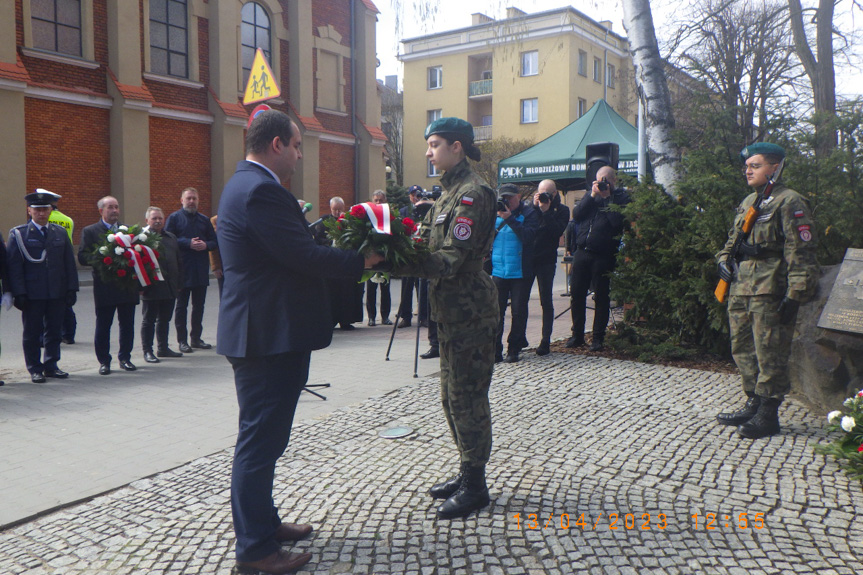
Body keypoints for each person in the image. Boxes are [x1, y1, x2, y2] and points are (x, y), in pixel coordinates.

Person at [217, 109, 382, 574]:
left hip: (266, 331)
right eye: (295, 145)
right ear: (275, 145)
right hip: (266, 336)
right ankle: (254, 552)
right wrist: (361, 260)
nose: (298, 153)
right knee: (259, 443)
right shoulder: (261, 190)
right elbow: (301, 255)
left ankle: (265, 524)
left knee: (266, 440)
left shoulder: (246, 184)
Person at [392, 117, 498, 520]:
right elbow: (422, 240)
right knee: (449, 398)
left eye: (434, 144)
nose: (428, 151)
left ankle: (476, 486)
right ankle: (466, 469)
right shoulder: (447, 194)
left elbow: (451, 259)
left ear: (457, 147)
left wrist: (404, 263)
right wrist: (389, 254)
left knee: (467, 398)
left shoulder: (473, 194)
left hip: (470, 310)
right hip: (451, 312)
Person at [715, 142, 819, 439]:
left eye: (755, 165)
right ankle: (753, 401)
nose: (748, 170)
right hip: (741, 286)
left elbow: (801, 251)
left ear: (775, 168)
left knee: (769, 351)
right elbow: (731, 242)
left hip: (770, 287)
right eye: (747, 166)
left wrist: (795, 293)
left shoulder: (790, 201)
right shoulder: (750, 200)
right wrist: (723, 261)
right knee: (743, 348)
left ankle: (768, 413)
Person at [6, 190, 79, 383]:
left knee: (54, 331)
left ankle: (51, 365)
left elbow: (68, 264)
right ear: (29, 210)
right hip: (32, 293)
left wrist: (72, 288)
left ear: (50, 210)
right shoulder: (19, 234)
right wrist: (19, 292)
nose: (41, 213)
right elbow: (14, 267)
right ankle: (34, 368)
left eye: (45, 209)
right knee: (32, 333)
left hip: (56, 291)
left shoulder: (60, 232)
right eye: (37, 209)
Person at [566, 166, 630, 351]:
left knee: (601, 297)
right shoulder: (590, 196)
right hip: (582, 252)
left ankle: (598, 338)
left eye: (605, 181)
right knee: (576, 295)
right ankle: (577, 335)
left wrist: (607, 198)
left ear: (612, 181)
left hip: (604, 254)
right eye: (598, 180)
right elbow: (576, 216)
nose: (601, 184)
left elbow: (617, 222)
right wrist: (592, 196)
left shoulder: (621, 198)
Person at [79, 196, 140, 375]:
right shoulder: (90, 231)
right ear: (101, 211)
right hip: (104, 287)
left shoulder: (128, 230)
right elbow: (83, 257)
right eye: (110, 207)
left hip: (127, 286)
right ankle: (104, 361)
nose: (114, 211)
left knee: (127, 324)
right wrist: (103, 257)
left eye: (116, 207)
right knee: (104, 325)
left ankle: (125, 358)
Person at [490, 183, 538, 363]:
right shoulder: (495, 214)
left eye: (510, 197)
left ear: (518, 197)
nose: (507, 201)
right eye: (504, 198)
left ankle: (514, 348)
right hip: (499, 270)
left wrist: (510, 218)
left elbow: (528, 237)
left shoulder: (529, 214)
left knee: (518, 312)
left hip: (520, 271)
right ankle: (495, 350)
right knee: (496, 312)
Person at [165, 187, 217, 353]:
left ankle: (196, 338)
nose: (192, 201)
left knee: (199, 306)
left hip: (200, 269)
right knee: (181, 306)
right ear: (182, 200)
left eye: (194, 198)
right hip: (182, 269)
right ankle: (182, 340)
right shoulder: (174, 218)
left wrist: (205, 245)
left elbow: (214, 241)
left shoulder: (204, 220)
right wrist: (188, 243)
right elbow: (169, 240)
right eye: (189, 198)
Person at [531, 179, 570, 356]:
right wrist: (534, 208)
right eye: (541, 193)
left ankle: (545, 340)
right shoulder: (531, 209)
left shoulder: (562, 210)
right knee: (520, 300)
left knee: (546, 300)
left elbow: (556, 232)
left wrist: (546, 212)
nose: (545, 196)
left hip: (547, 260)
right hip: (529, 259)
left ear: (555, 194)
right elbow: (528, 229)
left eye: (548, 193)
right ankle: (519, 338)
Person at [140, 207, 184, 363]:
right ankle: (147, 351)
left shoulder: (171, 237)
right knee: (149, 320)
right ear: (147, 221)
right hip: (151, 287)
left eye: (160, 218)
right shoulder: (141, 238)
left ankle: (163, 348)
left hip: (170, 286)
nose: (158, 221)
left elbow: (178, 261)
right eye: (154, 218)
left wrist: (179, 282)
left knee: (165, 319)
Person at [313, 196, 364, 330]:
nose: (337, 213)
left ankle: (346, 320)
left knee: (346, 293)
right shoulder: (324, 221)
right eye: (334, 210)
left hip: (344, 263)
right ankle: (331, 320)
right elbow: (319, 238)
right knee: (332, 294)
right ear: (330, 209)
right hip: (331, 263)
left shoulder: (349, 221)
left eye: (339, 209)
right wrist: (331, 243)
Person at [396, 185, 433, 329]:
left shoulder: (427, 209)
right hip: (408, 252)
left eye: (417, 194)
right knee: (406, 286)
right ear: (409, 196)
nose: (415, 197)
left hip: (421, 252)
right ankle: (405, 316)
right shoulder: (404, 211)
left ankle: (423, 317)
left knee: (422, 286)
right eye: (412, 194)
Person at [48, 199, 77, 344]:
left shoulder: (48, 219)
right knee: (66, 304)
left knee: (53, 306)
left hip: (53, 262)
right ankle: (69, 334)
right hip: (66, 262)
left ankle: (55, 334)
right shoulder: (68, 220)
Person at [365, 189, 393, 326]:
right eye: (376, 200)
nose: (378, 202)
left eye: (380, 200)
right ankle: (371, 317)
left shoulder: (389, 215)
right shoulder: (368, 215)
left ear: (385, 201)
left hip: (385, 256)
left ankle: (385, 316)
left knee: (385, 289)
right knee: (371, 289)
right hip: (372, 256)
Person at [210, 214, 224, 296]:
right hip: (223, 264)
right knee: (224, 294)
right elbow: (213, 246)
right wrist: (216, 266)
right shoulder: (215, 220)